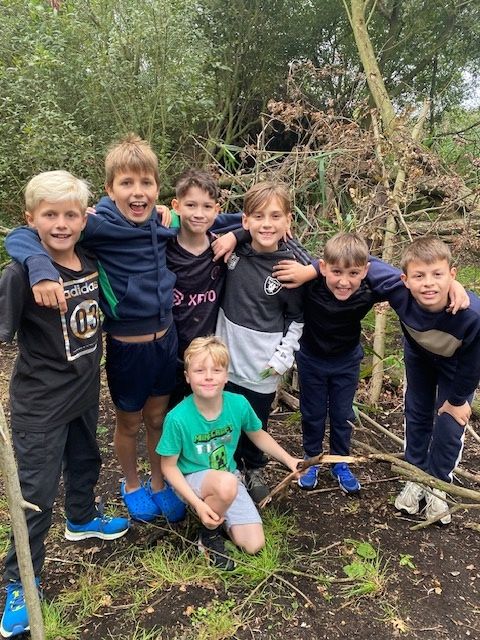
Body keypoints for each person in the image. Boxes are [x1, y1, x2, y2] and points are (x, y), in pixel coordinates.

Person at [4, 135, 187, 524]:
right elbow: (22, 234)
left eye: (146, 183)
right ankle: (132, 484)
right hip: (127, 348)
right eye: (126, 183)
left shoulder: (163, 222)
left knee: (158, 418)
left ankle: (158, 482)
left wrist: (238, 232)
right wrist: (38, 265)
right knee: (130, 422)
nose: (137, 192)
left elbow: (211, 220)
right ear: (109, 188)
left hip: (165, 341)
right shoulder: (96, 225)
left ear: (158, 188)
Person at [0, 171, 129, 638]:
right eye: (50, 215)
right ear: (30, 219)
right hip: (40, 404)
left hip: (83, 390)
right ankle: (20, 581)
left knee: (86, 459)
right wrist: (36, 265)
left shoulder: (89, 258)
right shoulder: (20, 274)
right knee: (35, 493)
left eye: (70, 215)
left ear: (83, 219)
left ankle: (82, 517)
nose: (61, 224)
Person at [273, 233, 471, 497]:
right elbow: (284, 244)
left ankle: (340, 461)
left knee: (343, 414)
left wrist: (454, 286)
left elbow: (406, 278)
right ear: (323, 268)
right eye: (336, 272)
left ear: (364, 272)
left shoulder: (370, 288)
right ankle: (312, 460)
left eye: (353, 273)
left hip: (346, 361)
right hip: (311, 360)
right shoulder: (311, 282)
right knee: (313, 412)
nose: (344, 281)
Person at [157, 336, 301, 570]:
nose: (208, 377)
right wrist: (197, 504)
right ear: (187, 376)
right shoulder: (177, 418)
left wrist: (289, 460)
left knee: (253, 544)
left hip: (226, 477)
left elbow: (258, 434)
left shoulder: (238, 404)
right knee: (227, 484)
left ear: (226, 376)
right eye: (199, 370)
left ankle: (217, 510)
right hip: (191, 478)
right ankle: (208, 534)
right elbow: (168, 466)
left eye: (216, 370)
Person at [368, 237, 480, 524]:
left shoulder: (471, 315)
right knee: (417, 411)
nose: (428, 283)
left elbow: (473, 364)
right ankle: (416, 474)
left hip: (457, 365)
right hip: (419, 357)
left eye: (438, 275)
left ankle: (439, 483)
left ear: (452, 274)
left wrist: (457, 400)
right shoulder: (397, 290)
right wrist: (309, 270)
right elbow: (359, 261)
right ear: (405, 279)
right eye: (419, 276)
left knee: (450, 422)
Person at [215, 182, 304, 504]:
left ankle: (253, 467)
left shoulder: (291, 267)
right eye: (258, 216)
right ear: (245, 220)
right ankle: (229, 468)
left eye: (275, 216)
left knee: (255, 420)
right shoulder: (234, 252)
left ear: (288, 220)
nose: (267, 224)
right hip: (226, 359)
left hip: (262, 365)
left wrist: (282, 358)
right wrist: (235, 235)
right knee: (224, 419)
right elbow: (197, 222)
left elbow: (297, 319)